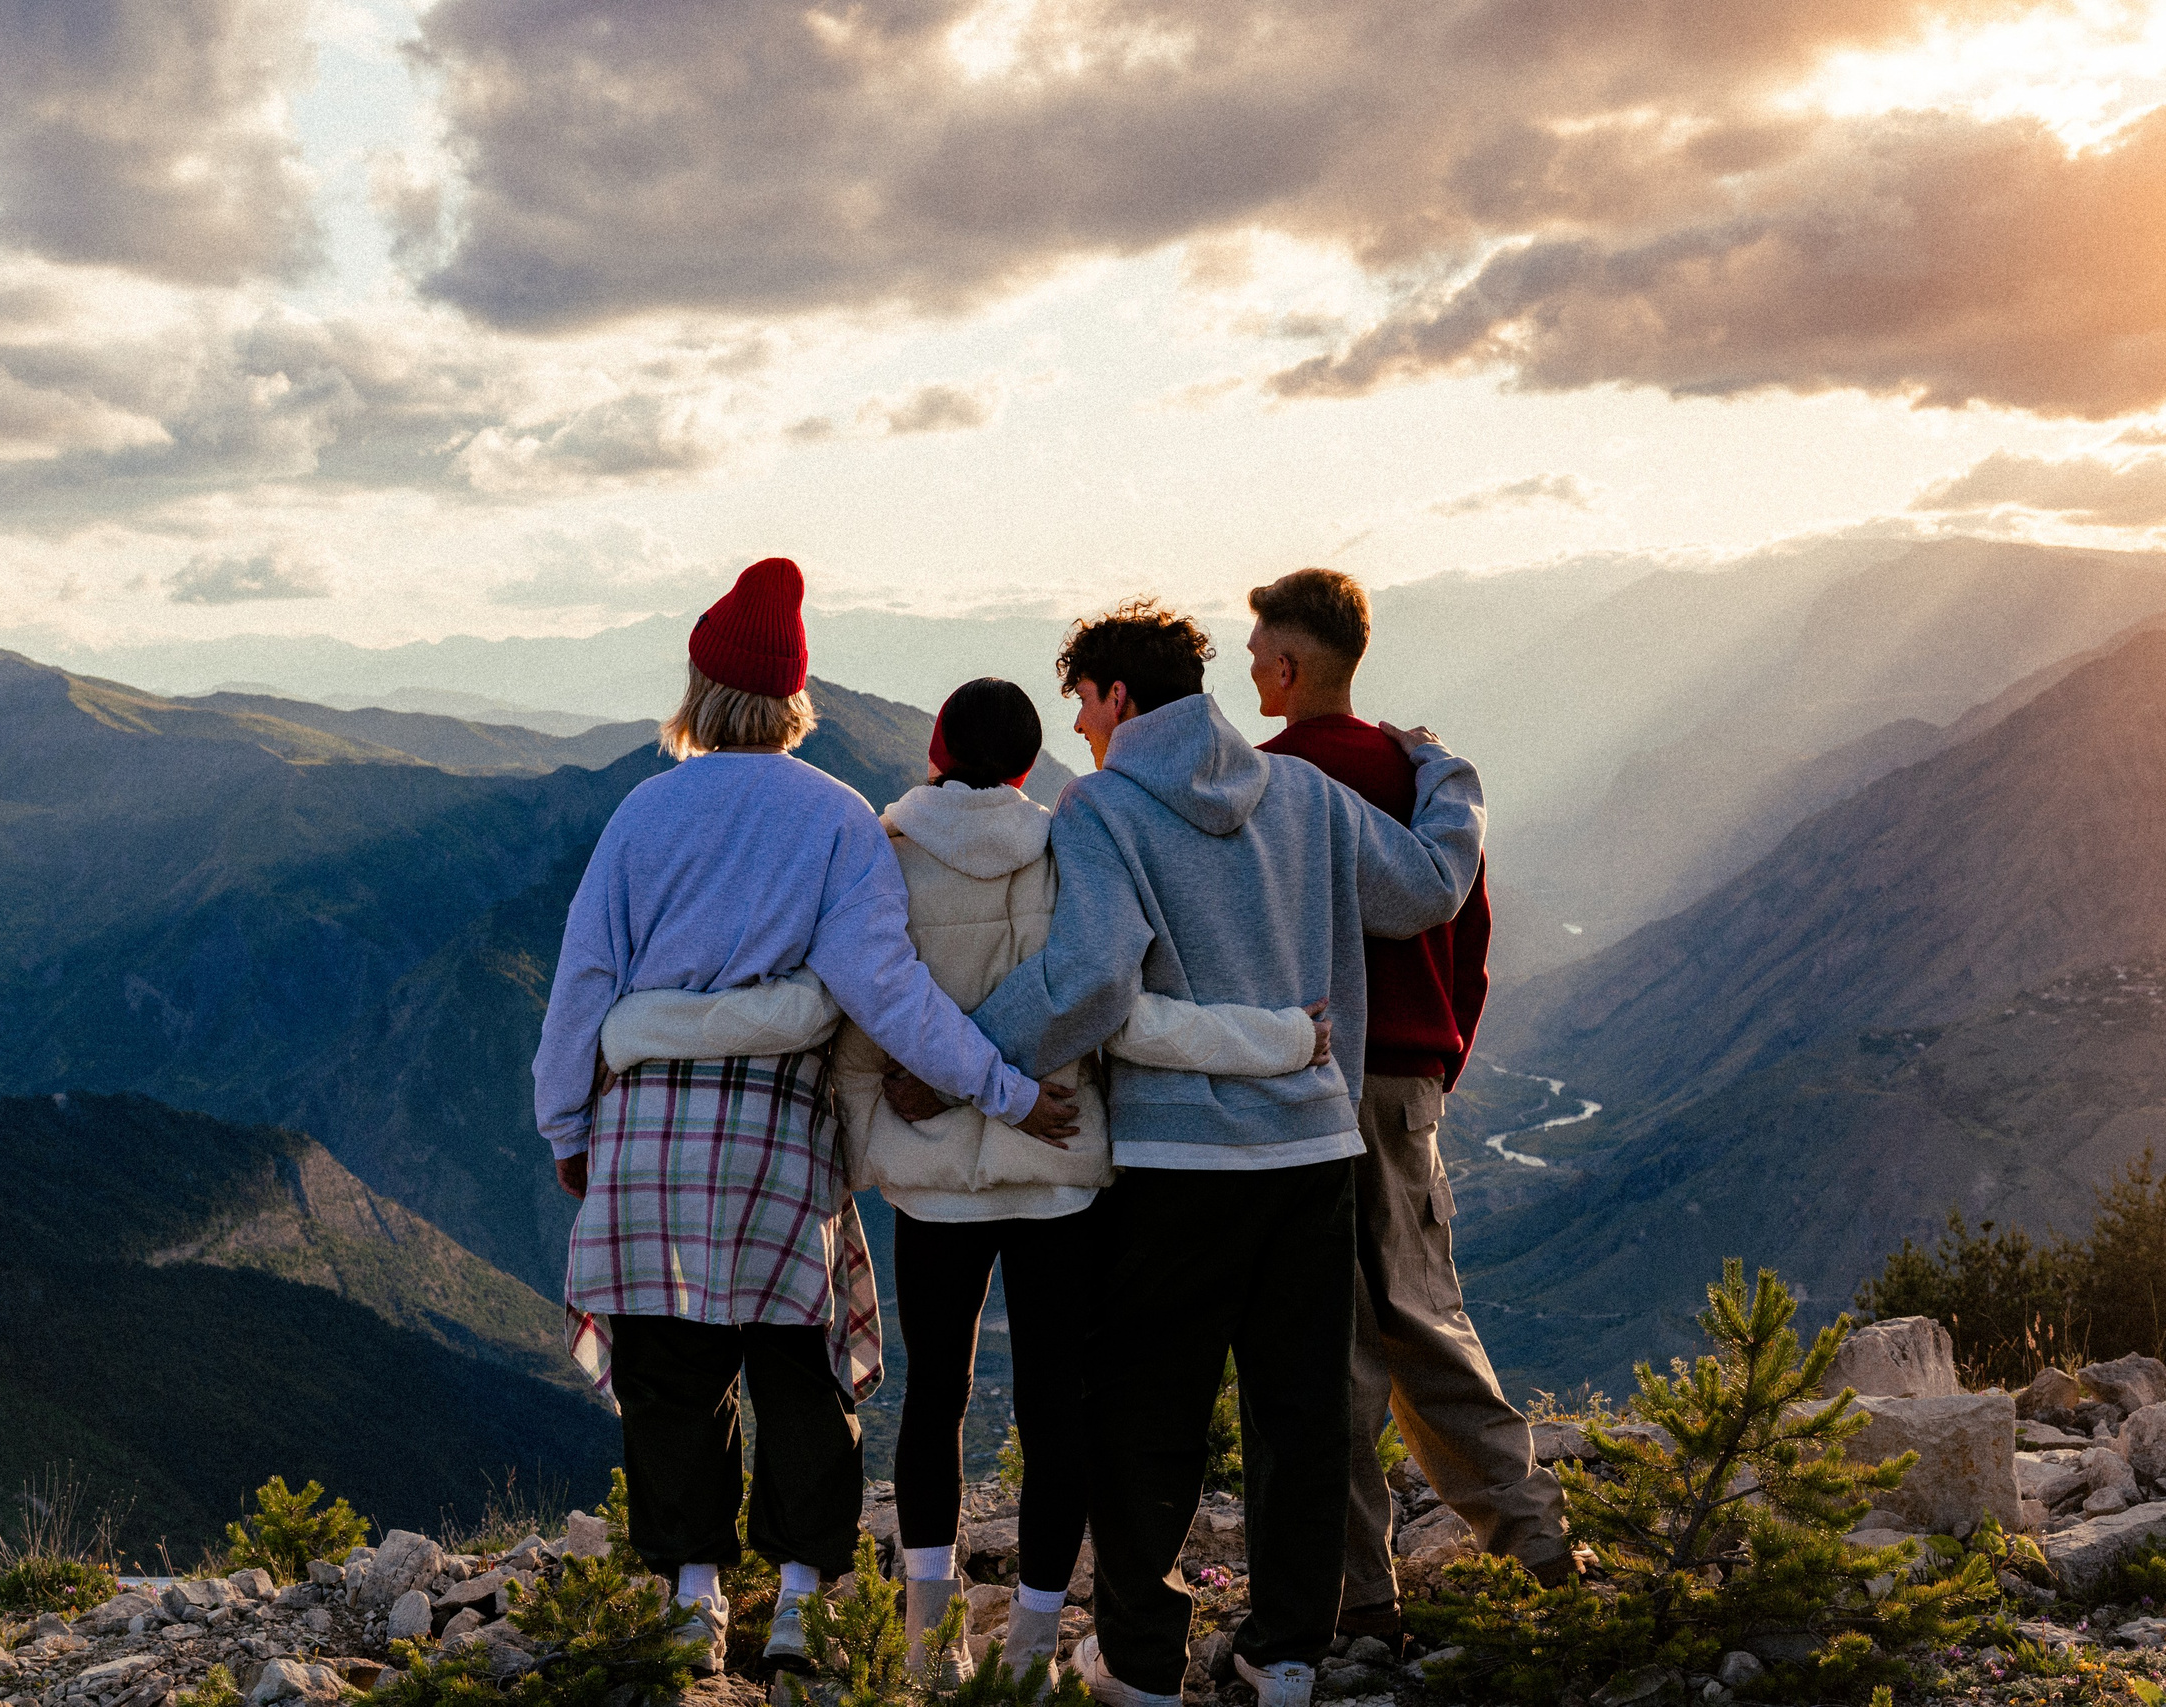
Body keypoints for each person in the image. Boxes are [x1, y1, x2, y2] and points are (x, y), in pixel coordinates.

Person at [605, 678, 1326, 1690]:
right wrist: (1283, 1041)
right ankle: (1033, 1642)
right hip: (1058, 1173)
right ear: (1031, 762)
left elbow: (858, 1015)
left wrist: (875, 1140)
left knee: (934, 1398)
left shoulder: (885, 852)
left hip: (932, 1186)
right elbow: (1103, 999)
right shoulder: (1072, 847)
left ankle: (926, 1641)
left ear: (936, 748)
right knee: (1054, 1408)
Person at [529, 558, 1079, 1679]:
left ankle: (693, 1599)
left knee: (673, 1376)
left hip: (643, 1125)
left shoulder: (643, 812)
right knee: (797, 1369)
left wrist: (566, 1126)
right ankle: (796, 1598)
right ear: (794, 699)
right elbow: (888, 992)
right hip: (775, 1124)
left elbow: (582, 981)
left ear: (699, 687)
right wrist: (1006, 1090)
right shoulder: (836, 820)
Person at [965, 600, 1485, 1707]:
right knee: (1298, 1412)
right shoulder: (1306, 795)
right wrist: (1446, 773)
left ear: (1114, 699)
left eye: (1085, 708)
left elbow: (1096, 975)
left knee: (1146, 1413)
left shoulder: (1099, 807)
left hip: (1179, 1161)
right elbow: (1429, 888)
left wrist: (970, 1051)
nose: (1084, 732)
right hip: (1313, 1152)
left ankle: (1145, 1666)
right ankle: (1285, 1655)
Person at [1243, 567, 1574, 1633]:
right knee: (1430, 1325)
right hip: (1402, 1086)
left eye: (1256, 651)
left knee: (1322, 1351)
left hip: (1300, 1088)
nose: (1249, 666)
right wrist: (1434, 1064)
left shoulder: (1261, 788)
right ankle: (1541, 1551)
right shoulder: (1421, 780)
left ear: (1288, 667)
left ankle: (1359, 1595)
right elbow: (1469, 940)